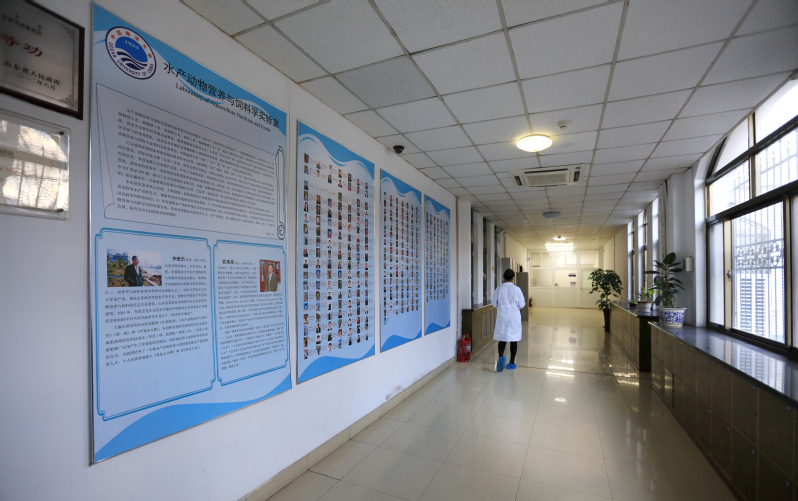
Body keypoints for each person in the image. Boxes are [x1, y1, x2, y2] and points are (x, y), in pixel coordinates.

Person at [492, 268, 525, 372]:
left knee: (502, 339)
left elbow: (494, 303)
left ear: (503, 277)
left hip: (502, 316)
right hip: (514, 317)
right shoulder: (517, 289)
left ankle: (501, 358)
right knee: (513, 339)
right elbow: (522, 304)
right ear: (513, 278)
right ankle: (511, 362)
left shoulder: (499, 289)